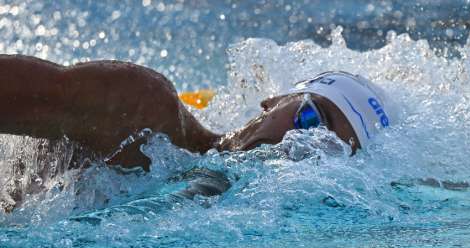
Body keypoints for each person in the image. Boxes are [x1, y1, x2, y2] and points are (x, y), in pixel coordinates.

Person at [0, 54, 395, 209]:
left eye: (326, 150)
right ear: (274, 101)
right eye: (310, 118)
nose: (298, 143)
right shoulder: (138, 107)